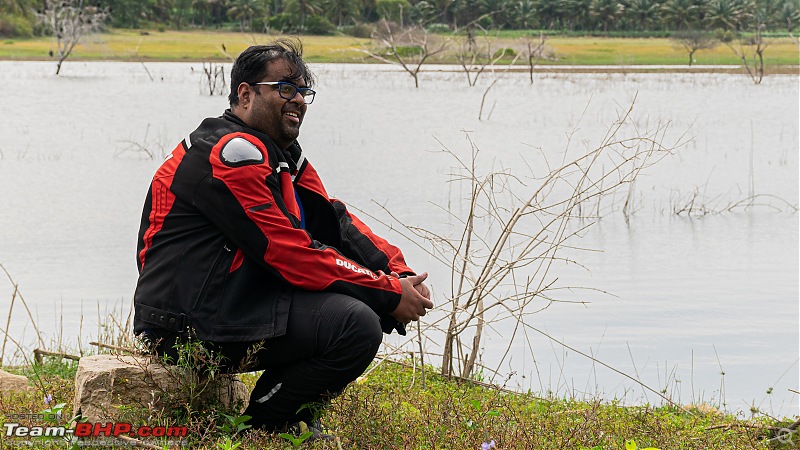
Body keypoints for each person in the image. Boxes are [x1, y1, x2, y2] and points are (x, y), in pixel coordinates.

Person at [132, 39, 433, 433]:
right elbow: (289, 252)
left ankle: (287, 417)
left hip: (232, 302)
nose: (298, 100)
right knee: (355, 321)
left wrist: (396, 272)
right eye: (285, 89)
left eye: (303, 91)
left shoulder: (281, 154)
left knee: (362, 299)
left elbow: (334, 220)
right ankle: (266, 425)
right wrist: (388, 292)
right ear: (245, 94)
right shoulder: (231, 154)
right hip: (181, 326)